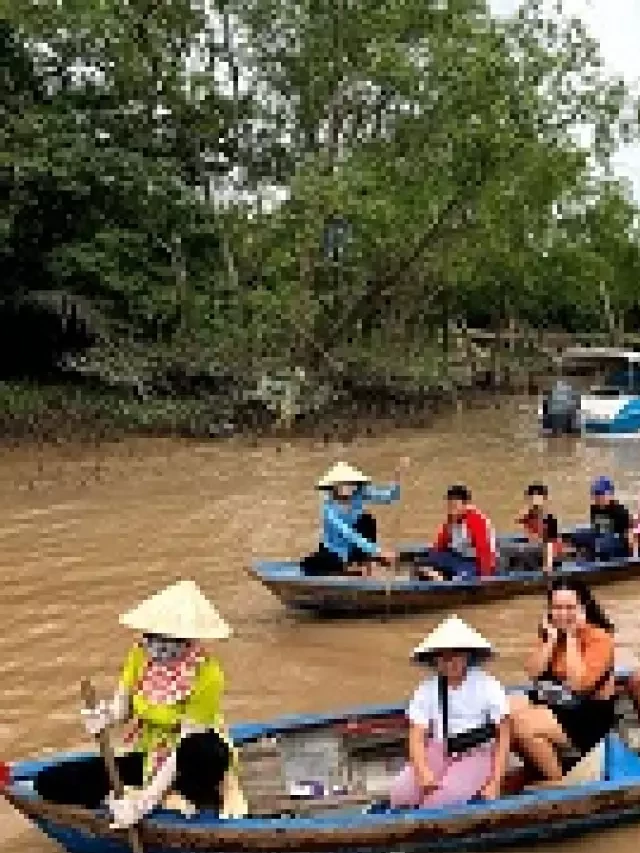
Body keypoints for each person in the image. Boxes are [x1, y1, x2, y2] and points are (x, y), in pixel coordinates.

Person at [78, 580, 246, 829]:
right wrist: (103, 717)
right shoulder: (139, 654)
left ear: (189, 640)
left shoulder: (207, 674)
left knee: (204, 751)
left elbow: (185, 744)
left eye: (170, 642)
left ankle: (207, 787)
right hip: (151, 752)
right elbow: (122, 709)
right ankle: (165, 796)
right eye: (151, 639)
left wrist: (144, 804)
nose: (157, 650)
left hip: (186, 754)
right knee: (55, 782)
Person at [389, 615, 509, 808]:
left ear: (467, 656)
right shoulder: (427, 689)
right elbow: (417, 735)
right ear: (435, 659)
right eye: (443, 657)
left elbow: (503, 735)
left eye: (455, 655)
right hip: (439, 748)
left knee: (439, 803)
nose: (449, 662)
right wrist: (422, 770)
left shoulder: (488, 685)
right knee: (400, 794)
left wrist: (495, 782)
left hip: (476, 753)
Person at [508, 577, 615, 783]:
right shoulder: (551, 633)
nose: (563, 614)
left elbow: (578, 685)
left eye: (570, 607)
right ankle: (537, 764)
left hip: (588, 714)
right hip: (557, 700)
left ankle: (556, 782)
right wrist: (552, 640)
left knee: (522, 723)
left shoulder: (600, 638)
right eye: (557, 608)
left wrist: (572, 636)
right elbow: (533, 672)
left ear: (583, 607)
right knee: (505, 710)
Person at [301, 462, 398, 576]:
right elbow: (347, 532)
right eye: (343, 484)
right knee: (308, 564)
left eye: (351, 483)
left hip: (356, 549)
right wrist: (378, 551)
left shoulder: (359, 494)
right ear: (334, 485)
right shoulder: (329, 508)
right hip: (335, 550)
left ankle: (364, 562)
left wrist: (397, 480)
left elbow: (390, 497)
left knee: (366, 519)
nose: (348, 487)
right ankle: (350, 567)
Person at [413, 485, 497, 581]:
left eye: (455, 505)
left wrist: (486, 577)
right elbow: (440, 544)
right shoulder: (451, 520)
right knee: (423, 561)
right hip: (455, 557)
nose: (451, 509)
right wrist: (430, 559)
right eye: (450, 505)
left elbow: (486, 551)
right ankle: (437, 575)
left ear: (465, 505)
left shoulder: (478, 521)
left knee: (464, 578)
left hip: (473, 562)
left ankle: (444, 579)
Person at [566, 477, 633, 561]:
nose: (598, 497)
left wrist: (631, 557)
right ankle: (573, 554)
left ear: (610, 494)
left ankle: (594, 558)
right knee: (576, 534)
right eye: (595, 493)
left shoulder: (620, 511)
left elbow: (628, 536)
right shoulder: (594, 508)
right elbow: (595, 529)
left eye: (601, 494)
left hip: (617, 543)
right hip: (600, 536)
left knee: (601, 543)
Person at [501, 484, 562, 573]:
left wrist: (547, 566)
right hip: (535, 549)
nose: (534, 501)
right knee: (504, 547)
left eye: (538, 497)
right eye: (532, 498)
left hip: (548, 554)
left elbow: (549, 544)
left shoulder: (549, 518)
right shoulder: (528, 515)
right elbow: (515, 521)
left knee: (510, 551)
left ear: (544, 499)